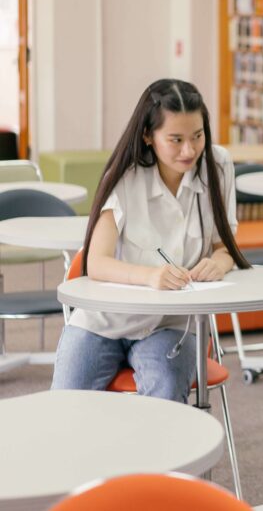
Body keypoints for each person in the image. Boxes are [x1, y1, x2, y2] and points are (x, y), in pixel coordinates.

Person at [51, 79, 248, 402]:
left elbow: (224, 246)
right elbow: (96, 262)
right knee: (65, 406)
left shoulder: (218, 165)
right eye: (176, 139)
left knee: (166, 400)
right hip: (104, 320)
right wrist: (150, 276)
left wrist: (219, 264)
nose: (189, 150)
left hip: (171, 325)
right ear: (148, 136)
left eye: (197, 136)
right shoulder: (126, 173)